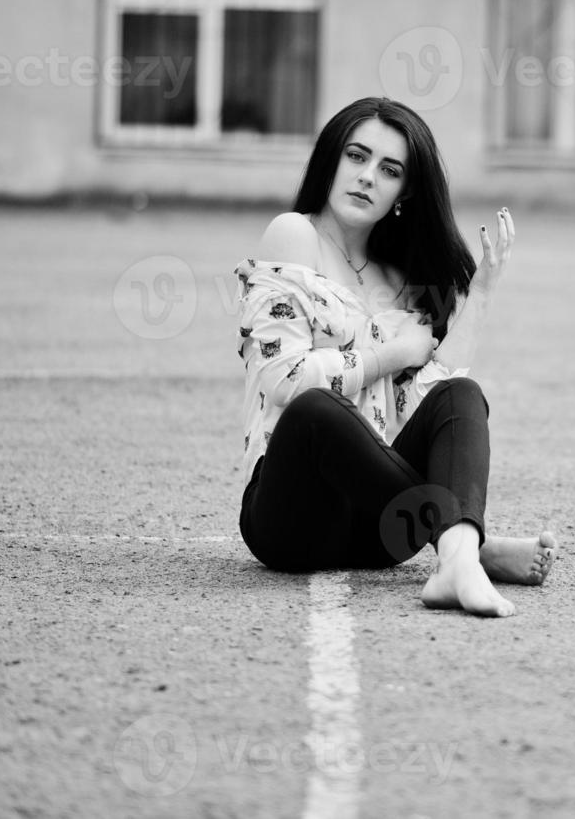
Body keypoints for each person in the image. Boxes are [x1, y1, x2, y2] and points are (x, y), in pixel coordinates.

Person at [234, 96, 556, 617]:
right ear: (331, 160)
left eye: (389, 170)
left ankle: (457, 552)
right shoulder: (294, 236)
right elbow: (284, 379)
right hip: (289, 520)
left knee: (462, 394)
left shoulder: (398, 278)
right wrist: (388, 355)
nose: (367, 177)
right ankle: (470, 547)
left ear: (404, 193)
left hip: (381, 531)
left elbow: (427, 400)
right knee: (318, 409)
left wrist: (484, 293)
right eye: (356, 157)